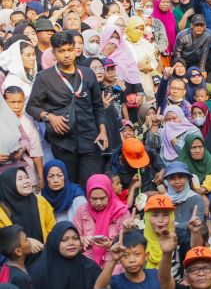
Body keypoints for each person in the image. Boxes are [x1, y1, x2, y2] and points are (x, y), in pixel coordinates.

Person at [27, 32, 108, 187]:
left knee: (92, 186)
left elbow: (98, 106)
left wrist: (103, 130)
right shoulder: (44, 78)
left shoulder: (87, 74)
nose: (66, 55)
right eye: (61, 51)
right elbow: (31, 107)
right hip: (63, 143)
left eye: (70, 50)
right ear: (54, 53)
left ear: (75, 49)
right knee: (68, 188)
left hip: (90, 139)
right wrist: (49, 117)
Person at [28, 221, 99, 289]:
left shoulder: (90, 267)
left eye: (75, 238)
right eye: (64, 240)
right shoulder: (39, 271)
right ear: (54, 242)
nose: (71, 243)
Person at [73, 174, 129, 268]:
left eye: (103, 198)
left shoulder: (121, 212)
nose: (98, 203)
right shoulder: (82, 211)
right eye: (93, 199)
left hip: (115, 262)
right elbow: (72, 238)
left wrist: (111, 244)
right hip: (87, 261)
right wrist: (82, 240)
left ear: (109, 194)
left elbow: (129, 244)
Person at [0, 167, 55, 242]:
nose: (26, 181)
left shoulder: (40, 201)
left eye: (27, 177)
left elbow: (51, 228)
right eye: (20, 179)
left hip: (43, 248)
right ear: (9, 184)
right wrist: (26, 243)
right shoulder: (2, 210)